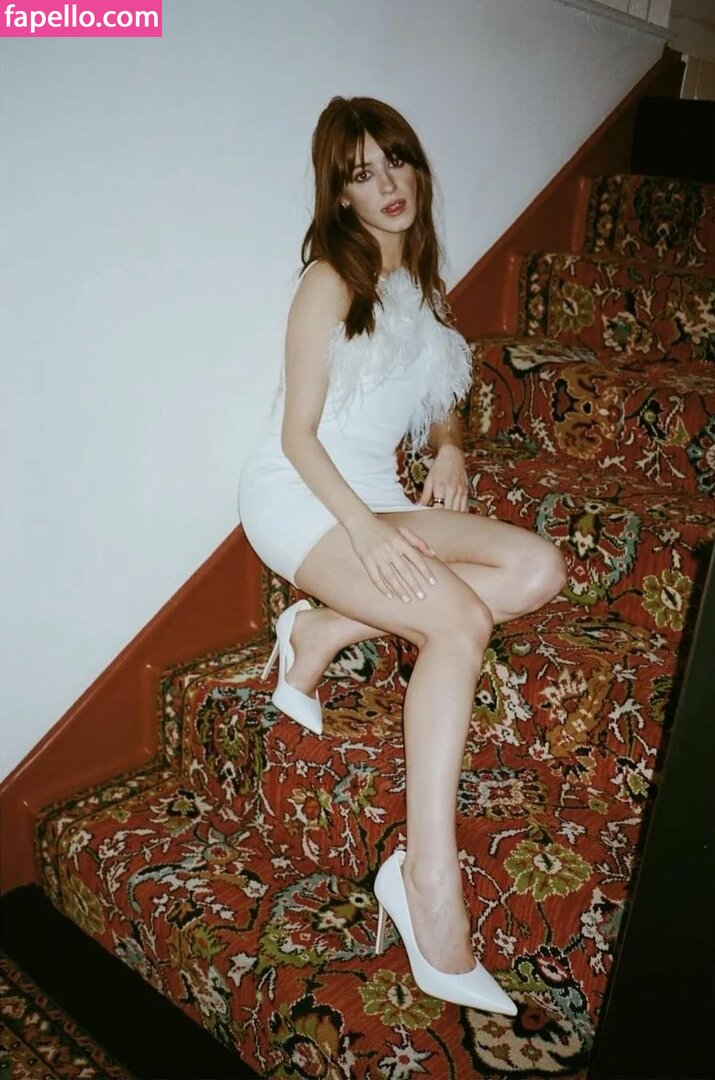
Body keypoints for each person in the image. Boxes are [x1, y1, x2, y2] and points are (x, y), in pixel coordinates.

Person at [238, 96, 566, 1015]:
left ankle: (323, 631)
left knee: (538, 570)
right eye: (362, 174)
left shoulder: (420, 284)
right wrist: (366, 531)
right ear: (339, 196)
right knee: (457, 622)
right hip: (304, 498)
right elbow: (298, 436)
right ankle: (425, 879)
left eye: (396, 162)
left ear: (416, 167)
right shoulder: (328, 280)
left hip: (379, 497)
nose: (387, 185)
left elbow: (441, 388)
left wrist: (450, 447)